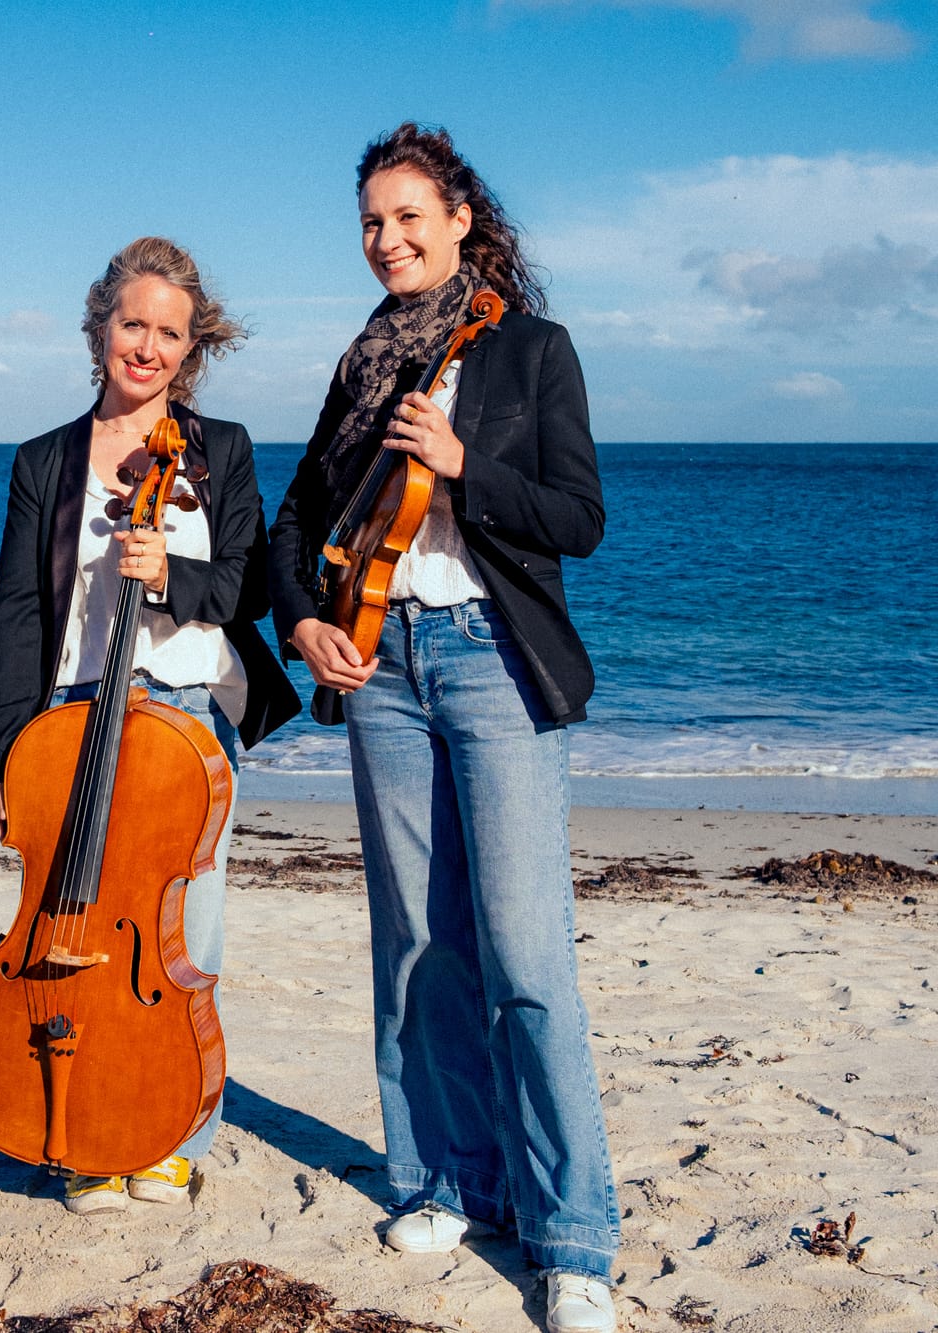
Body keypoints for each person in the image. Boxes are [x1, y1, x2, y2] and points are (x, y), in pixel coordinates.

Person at [267, 124, 620, 1333]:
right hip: (379, 665)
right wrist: (303, 624)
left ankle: (572, 1237)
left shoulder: (529, 351)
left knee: (524, 957)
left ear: (462, 217)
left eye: (408, 215)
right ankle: (439, 1179)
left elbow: (577, 517)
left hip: (488, 659)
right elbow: (292, 521)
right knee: (415, 943)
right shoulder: (364, 362)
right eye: (371, 222)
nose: (388, 240)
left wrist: (465, 465)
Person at [0, 236, 299, 1215]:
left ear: (189, 347)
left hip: (187, 717)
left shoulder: (221, 450)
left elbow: (250, 578)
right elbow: (18, 616)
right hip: (75, 717)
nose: (146, 347)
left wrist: (173, 577)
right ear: (99, 328)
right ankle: (81, 1128)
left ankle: (165, 1131)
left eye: (168, 332)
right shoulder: (45, 460)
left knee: (178, 935)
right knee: (72, 925)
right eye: (132, 325)